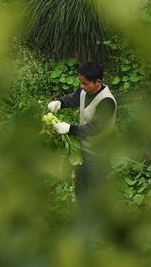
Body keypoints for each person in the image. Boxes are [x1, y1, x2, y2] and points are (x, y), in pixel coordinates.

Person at [47, 61, 117, 202]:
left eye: (85, 83)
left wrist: (69, 129)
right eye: (80, 82)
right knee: (81, 189)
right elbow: (74, 98)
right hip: (82, 150)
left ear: (98, 82)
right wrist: (60, 103)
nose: (81, 86)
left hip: (98, 154)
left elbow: (94, 128)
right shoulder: (85, 90)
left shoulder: (107, 101)